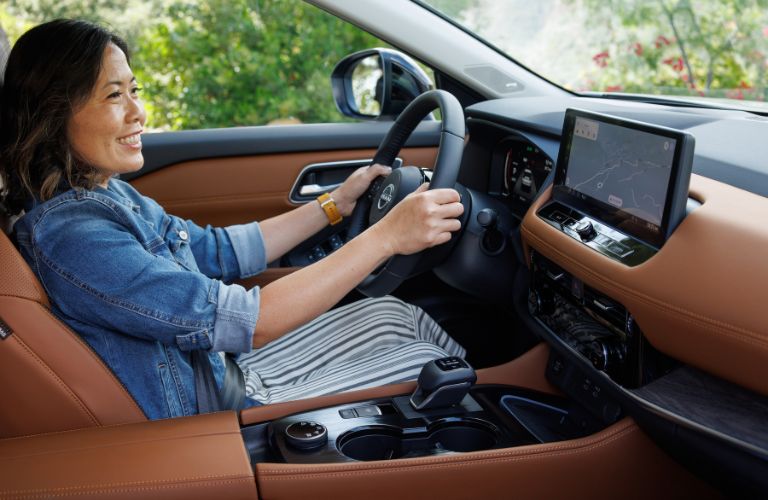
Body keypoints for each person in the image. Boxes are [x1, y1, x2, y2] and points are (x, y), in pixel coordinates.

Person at [0, 19, 466, 420]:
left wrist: (334, 205)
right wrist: (387, 237)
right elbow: (251, 321)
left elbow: (217, 250)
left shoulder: (104, 194)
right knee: (429, 361)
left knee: (395, 314)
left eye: (134, 90)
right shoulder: (76, 236)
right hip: (216, 411)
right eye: (113, 95)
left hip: (218, 366)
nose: (138, 112)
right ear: (55, 113)